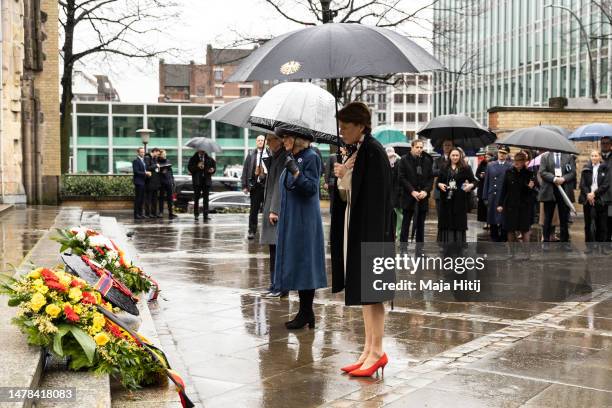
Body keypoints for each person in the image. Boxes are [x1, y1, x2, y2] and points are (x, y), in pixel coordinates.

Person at [331, 102, 394, 378]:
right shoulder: (359, 150)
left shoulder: (373, 151)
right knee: (366, 295)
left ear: (360, 125)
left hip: (373, 233)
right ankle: (368, 349)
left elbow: (377, 196)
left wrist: (347, 175)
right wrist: (344, 174)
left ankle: (377, 352)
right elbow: (350, 196)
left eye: (345, 127)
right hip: (360, 230)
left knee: (373, 294)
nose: (342, 132)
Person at [273, 123, 326, 330]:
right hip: (292, 218)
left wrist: (296, 172)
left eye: (286, 137)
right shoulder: (291, 157)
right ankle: (306, 313)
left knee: (305, 264)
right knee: (297, 262)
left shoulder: (311, 156)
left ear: (297, 139)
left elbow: (311, 188)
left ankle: (305, 312)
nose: (283, 141)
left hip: (304, 220)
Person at [260, 133, 289, 298]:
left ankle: (280, 286)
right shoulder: (275, 156)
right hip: (270, 207)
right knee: (273, 249)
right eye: (268, 140)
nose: (268, 142)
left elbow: (279, 185)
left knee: (278, 250)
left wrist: (274, 210)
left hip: (274, 210)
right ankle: (274, 284)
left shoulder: (284, 157)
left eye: (271, 140)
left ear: (279, 141)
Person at [436, 147, 477, 244]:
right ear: (449, 156)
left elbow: (475, 181)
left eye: (457, 155)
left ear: (460, 156)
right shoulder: (444, 167)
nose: (455, 157)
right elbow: (438, 182)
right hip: (446, 200)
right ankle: (446, 244)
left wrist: (470, 185)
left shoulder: (466, 168)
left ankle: (458, 245)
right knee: (446, 222)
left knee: (458, 222)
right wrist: (439, 184)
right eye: (453, 155)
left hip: (460, 200)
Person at [398, 139, 433, 243]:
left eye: (421, 147)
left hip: (422, 197)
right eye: (417, 147)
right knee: (406, 224)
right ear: (412, 147)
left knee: (420, 226)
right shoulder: (404, 159)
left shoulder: (426, 160)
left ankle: (419, 250)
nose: (419, 149)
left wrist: (425, 191)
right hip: (409, 197)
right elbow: (401, 178)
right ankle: (403, 249)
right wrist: (412, 191)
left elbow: (430, 178)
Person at [496, 152, 536, 242]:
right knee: (510, 230)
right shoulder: (509, 172)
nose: (516, 162)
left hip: (524, 206)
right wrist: (500, 204)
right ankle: (511, 253)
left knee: (525, 230)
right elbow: (503, 189)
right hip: (511, 205)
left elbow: (532, 194)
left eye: (519, 160)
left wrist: (530, 188)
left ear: (524, 162)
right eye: (515, 160)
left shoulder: (529, 174)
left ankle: (526, 253)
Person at [538, 151, 576, 242]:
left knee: (564, 217)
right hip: (550, 189)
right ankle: (546, 240)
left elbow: (573, 173)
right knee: (548, 217)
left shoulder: (568, 157)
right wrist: (554, 178)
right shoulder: (545, 157)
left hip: (564, 189)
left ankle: (564, 240)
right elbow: (542, 172)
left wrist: (563, 179)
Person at [579, 150, 610, 243]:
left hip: (601, 198)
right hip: (588, 199)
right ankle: (589, 245)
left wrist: (594, 194)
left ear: (600, 157)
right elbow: (582, 184)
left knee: (601, 224)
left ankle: (601, 245)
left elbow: (606, 184)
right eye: (592, 156)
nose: (594, 157)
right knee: (588, 223)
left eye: (596, 155)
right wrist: (588, 194)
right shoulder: (586, 168)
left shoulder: (605, 168)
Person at [482, 146, 512, 242]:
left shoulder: (510, 166)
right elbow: (486, 181)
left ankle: (503, 238)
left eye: (504, 153)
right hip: (493, 195)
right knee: (492, 218)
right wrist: (485, 197)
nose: (502, 154)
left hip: (504, 196)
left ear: (507, 154)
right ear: (497, 153)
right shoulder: (490, 165)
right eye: (500, 152)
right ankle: (494, 237)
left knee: (504, 218)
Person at [242, 135, 268, 239]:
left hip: (267, 185)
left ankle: (267, 232)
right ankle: (252, 231)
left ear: (265, 142)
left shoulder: (270, 153)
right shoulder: (251, 154)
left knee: (267, 210)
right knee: (254, 210)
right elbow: (245, 170)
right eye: (259, 140)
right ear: (256, 142)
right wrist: (245, 185)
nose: (260, 142)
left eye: (262, 140)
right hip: (255, 186)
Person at [187, 149, 216, 221]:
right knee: (196, 198)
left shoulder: (209, 159)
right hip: (197, 181)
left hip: (206, 181)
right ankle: (196, 214)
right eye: (201, 151)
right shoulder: (193, 159)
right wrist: (197, 166)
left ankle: (205, 215)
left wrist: (212, 170)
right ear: (198, 150)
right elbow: (190, 169)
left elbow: (214, 168)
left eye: (204, 151)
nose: (202, 152)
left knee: (206, 199)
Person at [386, 146, 403, 241]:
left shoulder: (399, 162)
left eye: (392, 154)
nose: (390, 157)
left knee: (399, 213)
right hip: (388, 193)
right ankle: (392, 233)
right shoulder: (384, 163)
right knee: (391, 214)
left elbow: (400, 178)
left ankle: (398, 234)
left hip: (398, 193)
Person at [157, 149, 177, 219]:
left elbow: (171, 171)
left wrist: (172, 180)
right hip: (161, 181)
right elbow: (156, 171)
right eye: (163, 154)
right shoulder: (157, 161)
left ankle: (171, 213)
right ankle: (160, 212)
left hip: (168, 181)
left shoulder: (168, 161)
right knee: (161, 198)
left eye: (165, 153)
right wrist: (161, 171)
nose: (165, 155)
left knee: (170, 198)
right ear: (160, 154)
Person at [132, 147, 150, 220]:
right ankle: (136, 215)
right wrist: (145, 173)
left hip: (143, 182)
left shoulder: (143, 160)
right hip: (138, 182)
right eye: (141, 152)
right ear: (138, 153)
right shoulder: (136, 161)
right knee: (138, 199)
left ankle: (140, 214)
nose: (143, 153)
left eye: (143, 152)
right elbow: (136, 171)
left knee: (142, 199)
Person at [600, 136, 612, 242]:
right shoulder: (597, 157)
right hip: (599, 194)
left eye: (607, 143)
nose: (604, 145)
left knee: (610, 219)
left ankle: (608, 240)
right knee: (601, 221)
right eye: (602, 143)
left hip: (610, 194)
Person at [144, 147, 161, 218]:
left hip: (155, 182)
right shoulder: (147, 158)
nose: (157, 155)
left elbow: (155, 168)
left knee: (154, 199)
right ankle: (147, 213)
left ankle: (154, 213)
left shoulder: (155, 159)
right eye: (157, 153)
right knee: (149, 198)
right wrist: (156, 166)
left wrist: (158, 168)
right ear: (154, 151)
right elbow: (147, 168)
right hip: (150, 182)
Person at [475, 153, 491, 229]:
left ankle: (490, 222)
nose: (487, 158)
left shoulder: (493, 164)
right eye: (486, 157)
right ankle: (485, 222)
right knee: (483, 205)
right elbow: (476, 174)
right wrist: (480, 176)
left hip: (490, 187)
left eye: (488, 156)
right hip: (482, 186)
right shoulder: (482, 164)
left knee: (490, 205)